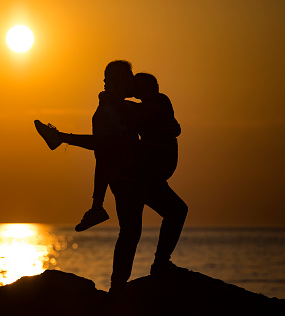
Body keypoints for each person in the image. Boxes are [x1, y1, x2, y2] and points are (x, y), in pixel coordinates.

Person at [35, 60, 188, 294]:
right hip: (126, 178)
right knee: (133, 230)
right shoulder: (107, 111)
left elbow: (150, 116)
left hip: (140, 173)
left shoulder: (121, 106)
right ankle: (121, 287)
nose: (133, 84)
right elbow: (102, 155)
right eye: (130, 79)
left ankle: (151, 270)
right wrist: (98, 200)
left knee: (162, 217)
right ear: (119, 81)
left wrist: (171, 124)